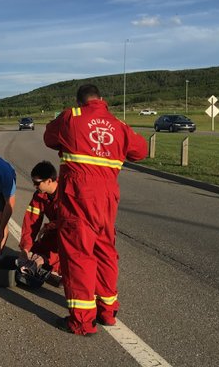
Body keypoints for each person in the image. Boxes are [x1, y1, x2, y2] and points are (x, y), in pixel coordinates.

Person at [43, 84, 147, 336]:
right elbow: (140, 151)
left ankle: (81, 321)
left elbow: (49, 138)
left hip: (79, 197)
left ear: (79, 102)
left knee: (79, 255)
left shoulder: (71, 117)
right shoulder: (118, 124)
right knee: (105, 251)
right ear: (102, 99)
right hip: (107, 200)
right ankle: (107, 311)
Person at [19, 160, 61, 278]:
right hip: (55, 231)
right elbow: (31, 222)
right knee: (35, 251)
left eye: (37, 183)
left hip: (72, 233)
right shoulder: (39, 196)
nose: (34, 186)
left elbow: (74, 221)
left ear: (49, 181)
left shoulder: (67, 192)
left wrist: (50, 226)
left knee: (48, 257)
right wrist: (25, 249)